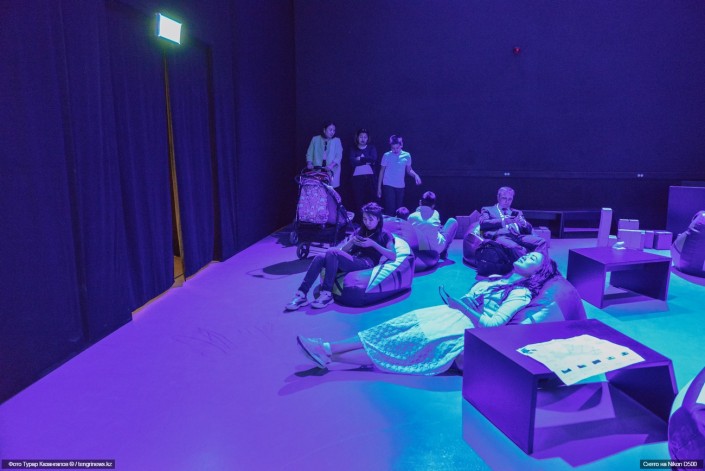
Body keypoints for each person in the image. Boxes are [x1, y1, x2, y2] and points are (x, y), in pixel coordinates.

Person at [296, 252, 558, 374]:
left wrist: (462, 306)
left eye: (532, 260)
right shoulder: (500, 279)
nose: (525, 257)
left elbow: (493, 326)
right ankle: (328, 349)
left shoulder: (520, 293)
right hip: (450, 315)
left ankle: (328, 352)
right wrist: (465, 301)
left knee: (397, 345)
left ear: (537, 273)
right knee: (391, 329)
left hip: (463, 330)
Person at [285, 202, 395, 311]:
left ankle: (326, 293)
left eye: (371, 220)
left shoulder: (385, 234)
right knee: (320, 257)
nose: (367, 222)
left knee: (332, 251)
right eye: (365, 219)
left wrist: (373, 244)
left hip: (366, 262)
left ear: (378, 219)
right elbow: (344, 250)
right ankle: (301, 294)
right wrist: (352, 241)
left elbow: (393, 255)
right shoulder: (360, 231)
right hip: (353, 258)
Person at [479, 186, 546, 260]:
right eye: (504, 198)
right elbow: (483, 223)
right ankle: (530, 264)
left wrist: (523, 223)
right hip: (502, 236)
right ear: (498, 197)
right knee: (515, 247)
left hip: (519, 236)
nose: (507, 201)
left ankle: (544, 265)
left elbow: (529, 229)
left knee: (541, 242)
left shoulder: (517, 212)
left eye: (510, 199)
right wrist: (504, 221)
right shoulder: (488, 209)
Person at [377, 135, 421, 215]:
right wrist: (379, 188)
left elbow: (409, 170)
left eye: (397, 148)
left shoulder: (407, 155)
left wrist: (416, 175)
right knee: (390, 209)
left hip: (400, 186)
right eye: (393, 148)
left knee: (399, 211)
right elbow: (381, 171)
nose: (395, 150)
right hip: (388, 184)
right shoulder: (386, 155)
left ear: (401, 145)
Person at [408, 191, 458, 259]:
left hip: (419, 251)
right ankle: (444, 251)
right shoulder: (435, 213)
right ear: (433, 205)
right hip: (436, 250)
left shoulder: (411, 216)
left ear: (420, 202)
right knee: (452, 221)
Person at [306, 121, 343, 188]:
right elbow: (309, 153)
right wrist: (309, 163)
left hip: (331, 169)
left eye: (334, 130)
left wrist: (331, 166)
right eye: (330, 130)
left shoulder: (337, 140)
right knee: (318, 189)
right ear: (324, 130)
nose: (332, 132)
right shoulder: (315, 139)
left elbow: (339, 156)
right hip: (317, 168)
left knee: (330, 189)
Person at [349, 129, 378, 213]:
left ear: (368, 138)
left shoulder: (371, 147)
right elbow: (352, 162)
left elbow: (373, 159)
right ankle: (360, 219)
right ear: (357, 137)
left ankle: (370, 218)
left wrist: (360, 159)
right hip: (357, 179)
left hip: (370, 178)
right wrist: (366, 161)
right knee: (358, 201)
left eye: (365, 137)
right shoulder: (353, 148)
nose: (363, 139)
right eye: (361, 137)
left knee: (370, 200)